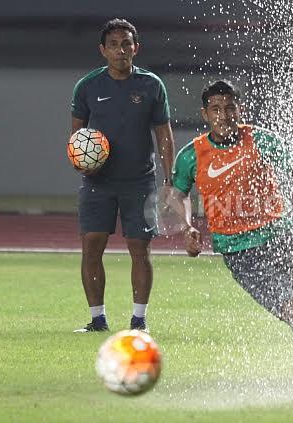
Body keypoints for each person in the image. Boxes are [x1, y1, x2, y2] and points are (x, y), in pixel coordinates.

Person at [165, 80, 293, 384]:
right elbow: (178, 194)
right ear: (205, 114)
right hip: (241, 255)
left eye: (229, 108)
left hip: (280, 239)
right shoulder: (192, 155)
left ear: (240, 109)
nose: (223, 115)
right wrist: (187, 227)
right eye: (216, 109)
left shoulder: (261, 141)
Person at [69, 18, 175, 333]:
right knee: (91, 246)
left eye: (126, 44)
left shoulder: (151, 85)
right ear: (103, 50)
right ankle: (97, 319)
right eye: (113, 45)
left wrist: (169, 182)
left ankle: (138, 321)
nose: (120, 50)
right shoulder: (87, 86)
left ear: (136, 48)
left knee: (140, 249)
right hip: (97, 183)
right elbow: (75, 139)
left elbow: (165, 138)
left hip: (139, 181)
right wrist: (80, 163)